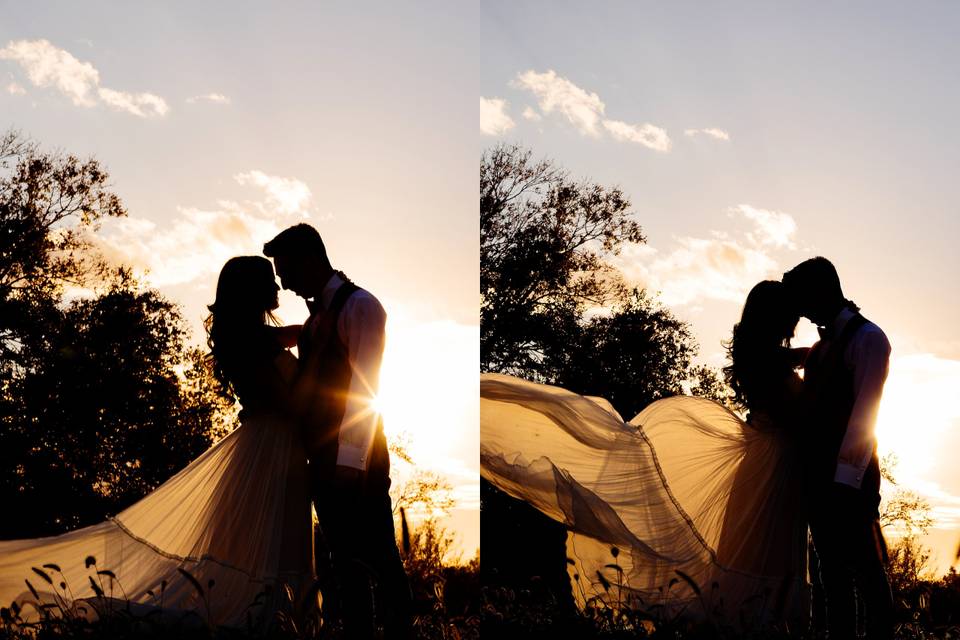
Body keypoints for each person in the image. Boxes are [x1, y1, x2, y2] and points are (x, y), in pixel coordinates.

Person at [0, 256, 315, 629]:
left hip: (268, 448)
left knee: (270, 550)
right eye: (269, 282)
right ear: (252, 291)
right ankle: (276, 622)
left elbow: (298, 334)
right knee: (275, 547)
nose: (278, 288)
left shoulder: (251, 338)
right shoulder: (253, 344)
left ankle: (278, 620)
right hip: (271, 454)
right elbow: (288, 399)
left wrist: (320, 325)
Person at [480, 280, 811, 627]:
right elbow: (798, 415)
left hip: (767, 464)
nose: (796, 320)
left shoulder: (760, 356)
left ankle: (755, 622)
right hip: (773, 468)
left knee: (756, 554)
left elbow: (783, 368)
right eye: (790, 314)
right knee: (764, 553)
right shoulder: (771, 364)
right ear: (775, 317)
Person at [263, 223, 411, 639]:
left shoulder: (361, 306)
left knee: (381, 557)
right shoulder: (315, 320)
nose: (283, 281)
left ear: (309, 258)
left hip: (356, 460)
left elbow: (366, 389)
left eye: (285, 268)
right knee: (344, 565)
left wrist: (350, 462)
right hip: (322, 458)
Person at [782, 257, 893, 639]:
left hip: (850, 482)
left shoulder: (869, 339)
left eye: (803, 299)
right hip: (816, 478)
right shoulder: (823, 345)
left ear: (822, 291)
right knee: (832, 578)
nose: (802, 310)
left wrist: (845, 483)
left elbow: (865, 414)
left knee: (867, 571)